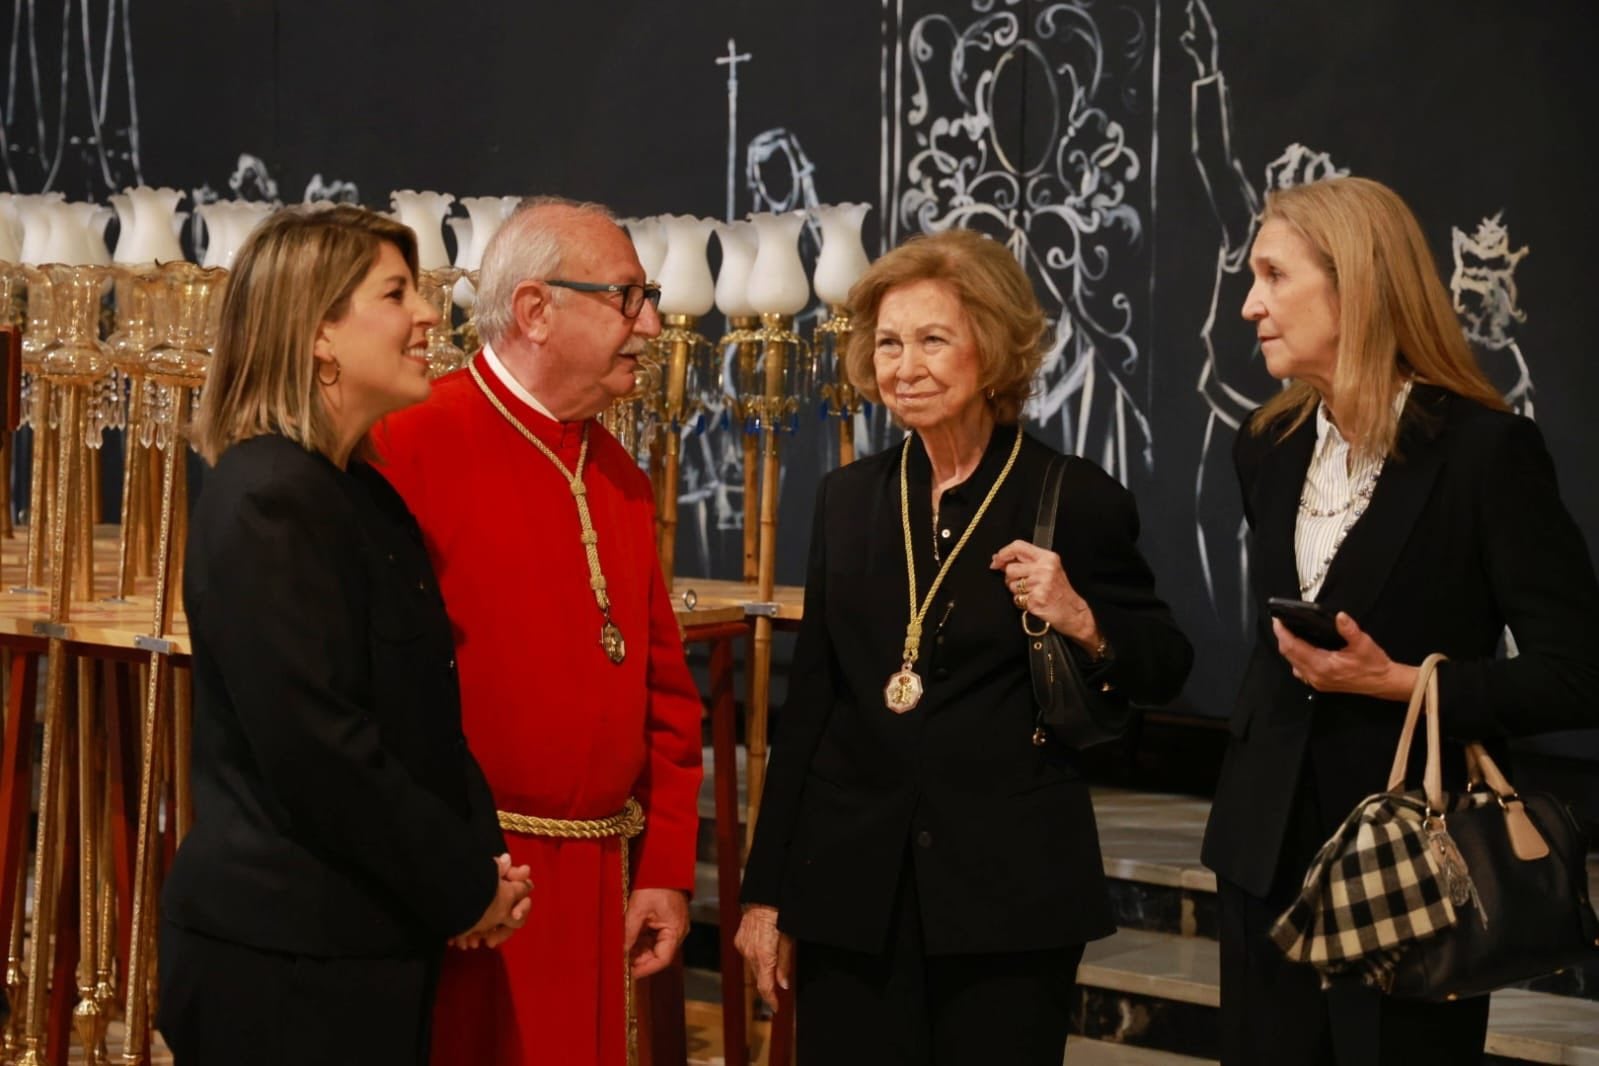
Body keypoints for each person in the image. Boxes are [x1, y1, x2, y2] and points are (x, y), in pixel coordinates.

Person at [735, 228, 1194, 1064]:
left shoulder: (1074, 497)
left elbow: (1164, 663)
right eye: (886, 342)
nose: (903, 365)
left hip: (1006, 898)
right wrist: (766, 895)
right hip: (850, 892)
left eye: (932, 339)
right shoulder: (846, 501)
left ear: (994, 348)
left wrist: (1080, 616)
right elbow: (811, 709)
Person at [1199, 176, 1599, 1065]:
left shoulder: (1487, 454)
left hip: (1415, 867)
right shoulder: (1262, 446)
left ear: (1356, 285)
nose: (1247, 303)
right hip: (1260, 851)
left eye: (1271, 275)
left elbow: (1578, 673)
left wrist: (1406, 682)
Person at [160, 205, 532, 1065]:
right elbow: (318, 750)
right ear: (319, 331)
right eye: (396, 293)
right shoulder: (268, 500)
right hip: (282, 962)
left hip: (359, 941)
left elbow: (421, 719)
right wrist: (460, 882)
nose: (428, 316)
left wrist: (482, 866)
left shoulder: (357, 494)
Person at [375, 196, 704, 1066]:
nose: (653, 323)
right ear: (534, 309)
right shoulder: (406, 444)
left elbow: (667, 696)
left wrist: (665, 867)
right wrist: (451, 867)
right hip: (471, 888)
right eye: (628, 296)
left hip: (600, 887)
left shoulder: (620, 472)